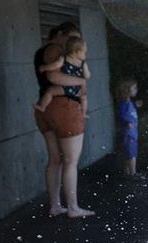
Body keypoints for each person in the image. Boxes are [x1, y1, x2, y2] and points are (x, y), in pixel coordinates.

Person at [33, 22, 95, 218]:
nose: (73, 44)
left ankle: (55, 205)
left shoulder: (41, 51)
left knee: (55, 160)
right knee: (70, 161)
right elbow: (54, 76)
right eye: (71, 38)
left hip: (46, 109)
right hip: (64, 107)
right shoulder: (56, 50)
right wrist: (81, 81)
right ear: (60, 34)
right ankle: (73, 207)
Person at [34, 37, 90, 117]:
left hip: (66, 87)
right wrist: (86, 74)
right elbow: (87, 76)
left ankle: (42, 107)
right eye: (85, 52)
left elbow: (55, 65)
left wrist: (44, 67)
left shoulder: (63, 58)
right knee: (84, 98)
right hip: (78, 89)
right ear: (77, 52)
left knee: (50, 91)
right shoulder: (83, 63)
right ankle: (84, 113)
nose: (85, 55)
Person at [115, 78, 143, 180]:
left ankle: (128, 172)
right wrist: (127, 123)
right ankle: (133, 173)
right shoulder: (124, 103)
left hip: (131, 132)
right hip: (128, 132)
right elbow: (122, 115)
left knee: (129, 152)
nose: (136, 90)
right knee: (131, 153)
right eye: (134, 88)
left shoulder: (127, 102)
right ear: (127, 90)